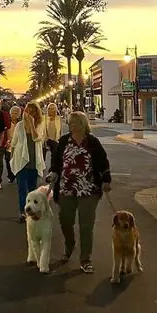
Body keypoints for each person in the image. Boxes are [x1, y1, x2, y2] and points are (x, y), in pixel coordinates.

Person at [49, 111, 111, 274]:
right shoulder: (64, 141)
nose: (70, 125)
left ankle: (85, 259)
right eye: (70, 122)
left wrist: (106, 180)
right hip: (66, 188)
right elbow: (55, 162)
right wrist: (53, 173)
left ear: (82, 124)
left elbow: (103, 162)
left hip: (88, 189)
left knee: (86, 225)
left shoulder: (92, 142)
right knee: (65, 221)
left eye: (74, 122)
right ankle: (70, 245)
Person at [10, 101, 45, 222]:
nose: (29, 113)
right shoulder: (19, 125)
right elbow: (14, 142)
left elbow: (37, 138)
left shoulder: (40, 125)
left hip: (34, 162)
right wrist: (12, 157)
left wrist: (31, 124)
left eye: (32, 111)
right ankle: (22, 212)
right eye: (27, 110)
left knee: (32, 189)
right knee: (22, 188)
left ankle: (32, 211)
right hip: (21, 161)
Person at [0, 97, 12, 189]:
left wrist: (9, 140)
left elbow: (8, 128)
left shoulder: (5, 115)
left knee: (0, 162)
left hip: (2, 143)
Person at [6, 105, 21, 182]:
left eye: (16, 113)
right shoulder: (7, 123)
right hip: (9, 144)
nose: (14, 115)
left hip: (18, 145)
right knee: (8, 160)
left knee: (17, 161)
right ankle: (11, 176)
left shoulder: (20, 124)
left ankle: (17, 175)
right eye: (12, 113)